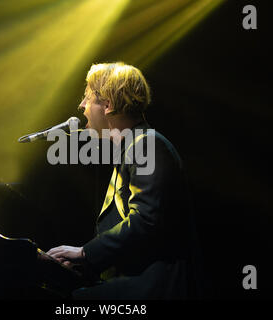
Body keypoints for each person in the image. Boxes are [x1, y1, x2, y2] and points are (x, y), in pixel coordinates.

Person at [46, 62, 202, 299]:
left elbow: (146, 219)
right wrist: (86, 265)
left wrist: (85, 254)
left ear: (107, 105)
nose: (81, 106)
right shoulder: (134, 147)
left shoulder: (147, 143)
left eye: (87, 98)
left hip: (153, 289)